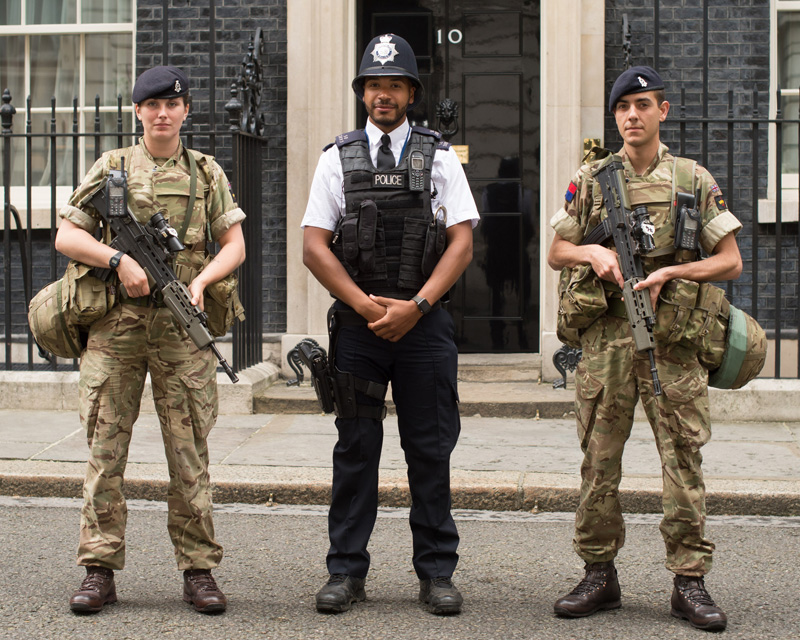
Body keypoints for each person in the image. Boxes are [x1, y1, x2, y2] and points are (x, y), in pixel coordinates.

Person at [547, 66, 742, 632]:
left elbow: (728, 259)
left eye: (642, 104)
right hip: (607, 341)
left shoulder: (692, 178)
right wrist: (594, 256)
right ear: (615, 117)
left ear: (663, 111)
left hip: (672, 343)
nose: (632, 115)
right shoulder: (591, 179)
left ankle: (689, 581)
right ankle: (598, 574)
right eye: (622, 107)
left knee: (682, 458)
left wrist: (676, 271)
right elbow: (558, 250)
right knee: (598, 462)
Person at [55, 65, 246, 614]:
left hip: (181, 328)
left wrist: (204, 279)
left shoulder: (207, 173)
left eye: (173, 104)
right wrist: (117, 260)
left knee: (189, 451)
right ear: (138, 111)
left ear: (186, 111)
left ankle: (199, 569)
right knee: (105, 447)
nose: (163, 112)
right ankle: (98, 567)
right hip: (116, 327)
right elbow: (67, 233)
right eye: (152, 104)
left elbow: (232, 242)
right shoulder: (112, 167)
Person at [301, 33, 479, 615]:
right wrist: (363, 304)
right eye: (374, 85)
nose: (384, 94)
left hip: (423, 326)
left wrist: (418, 306)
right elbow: (313, 246)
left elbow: (461, 242)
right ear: (362, 93)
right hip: (360, 327)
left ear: (410, 93)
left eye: (394, 85)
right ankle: (346, 572)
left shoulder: (441, 156)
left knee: (430, 451)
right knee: (356, 450)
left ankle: (436, 573)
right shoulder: (336, 158)